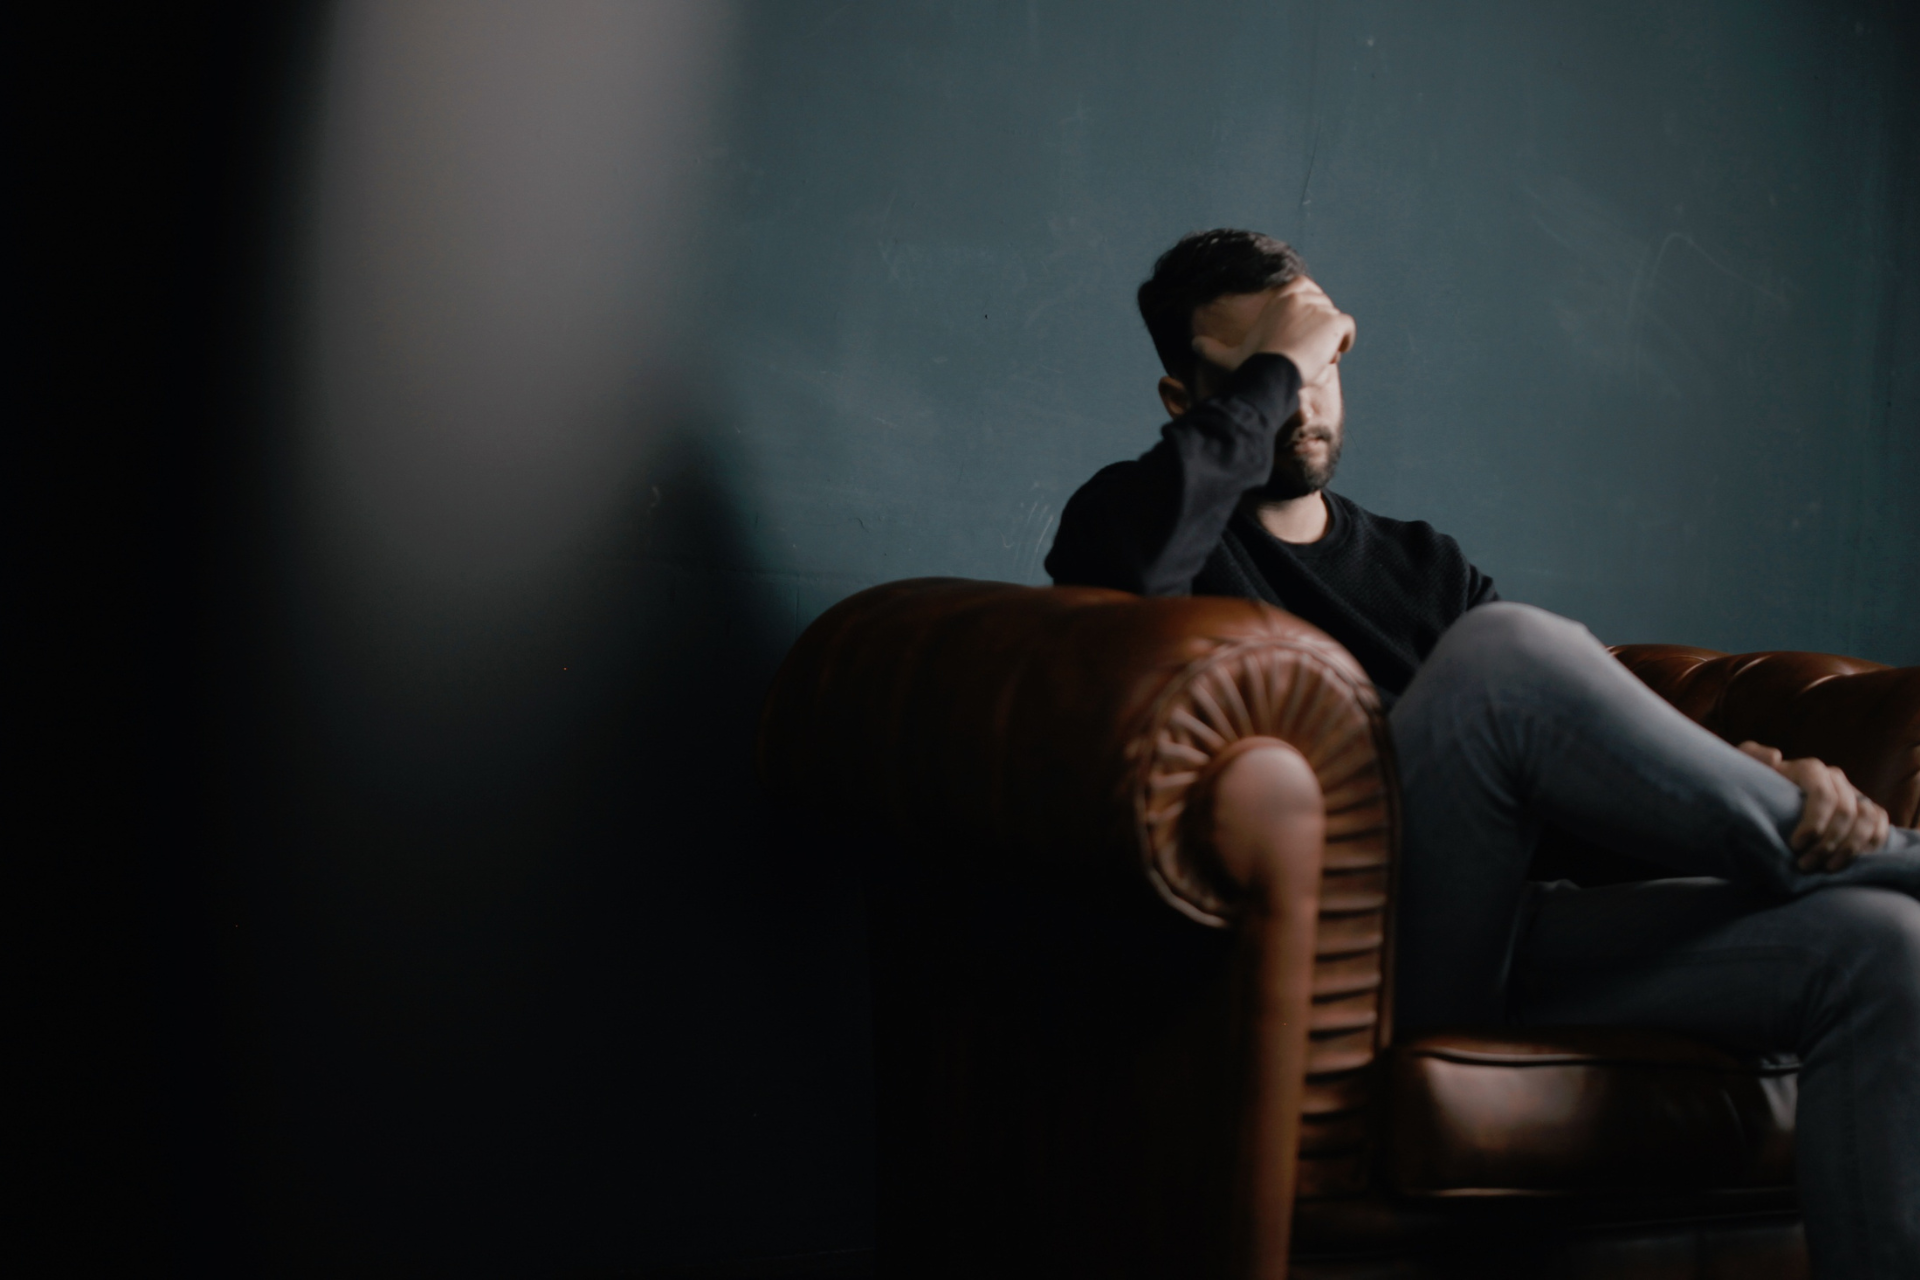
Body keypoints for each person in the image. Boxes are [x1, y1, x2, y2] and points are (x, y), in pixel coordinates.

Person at [1046, 229, 1920, 1279]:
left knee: (1885, 947)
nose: (1304, 400)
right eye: (1263, 373)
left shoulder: (1425, 563)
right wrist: (1283, 361)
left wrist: (1753, 770)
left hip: (1521, 937)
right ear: (1189, 401)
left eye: (1321, 363)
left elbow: (1576, 769)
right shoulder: (1136, 521)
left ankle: (1848, 859)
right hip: (1366, 962)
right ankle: (1877, 849)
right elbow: (1120, 580)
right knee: (1502, 656)